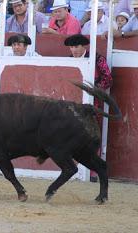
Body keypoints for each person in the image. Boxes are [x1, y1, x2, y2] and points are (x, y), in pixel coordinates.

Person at [64, 34, 112, 182]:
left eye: (76, 46)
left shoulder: (97, 59)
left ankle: (92, 171)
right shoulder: (68, 60)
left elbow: (107, 79)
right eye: (71, 47)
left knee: (90, 137)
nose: (74, 50)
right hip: (71, 103)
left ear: (83, 46)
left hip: (92, 103)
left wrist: (93, 91)